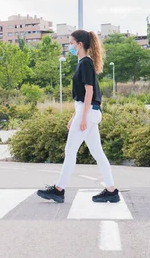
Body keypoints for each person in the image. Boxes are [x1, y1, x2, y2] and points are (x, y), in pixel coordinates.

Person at [37, 30, 119, 203]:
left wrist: (82, 117)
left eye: (71, 43)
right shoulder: (83, 63)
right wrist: (75, 115)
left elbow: (89, 91)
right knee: (98, 153)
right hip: (87, 112)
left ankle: (59, 189)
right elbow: (83, 95)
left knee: (70, 150)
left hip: (87, 113)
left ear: (80, 44)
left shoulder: (85, 63)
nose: (70, 47)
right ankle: (111, 190)